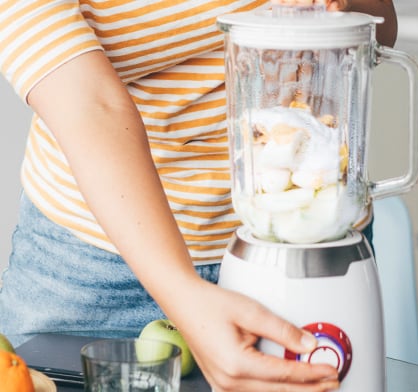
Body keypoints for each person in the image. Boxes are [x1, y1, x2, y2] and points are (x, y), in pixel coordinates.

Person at [0, 0, 397, 390]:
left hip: (310, 240)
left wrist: (340, 7)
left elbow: (380, 28)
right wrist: (182, 292)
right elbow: (92, 105)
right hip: (97, 272)